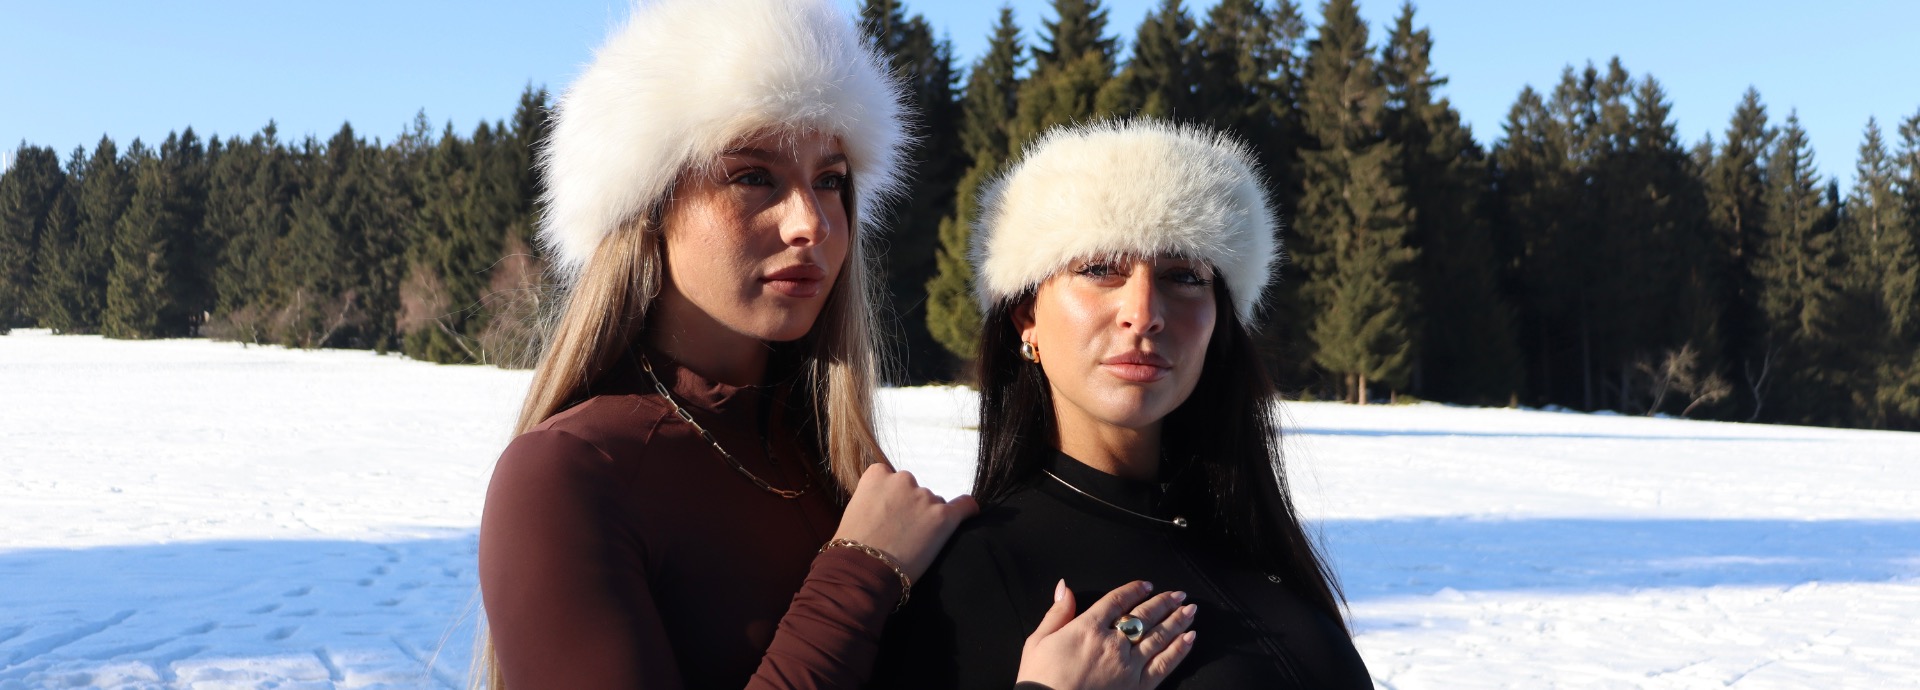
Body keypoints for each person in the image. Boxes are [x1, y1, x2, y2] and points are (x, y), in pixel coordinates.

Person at [476, 1, 1193, 688]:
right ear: (646, 208)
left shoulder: (838, 465)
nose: (812, 224)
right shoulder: (567, 476)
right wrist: (860, 570)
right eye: (753, 177)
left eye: (830, 181)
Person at [872, 119, 1374, 689]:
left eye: (1184, 275)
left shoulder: (1253, 542)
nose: (1144, 312)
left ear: (1220, 319)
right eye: (1099, 269)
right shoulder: (965, 579)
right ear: (1027, 318)